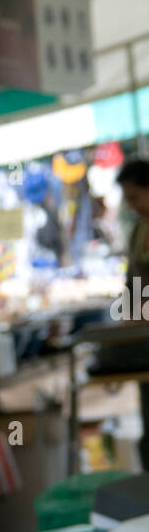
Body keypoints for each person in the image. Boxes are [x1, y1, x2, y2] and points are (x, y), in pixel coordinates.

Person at [115, 158, 149, 469]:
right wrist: (128, 317)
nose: (132, 205)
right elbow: (133, 280)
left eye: (136, 197)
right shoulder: (138, 231)